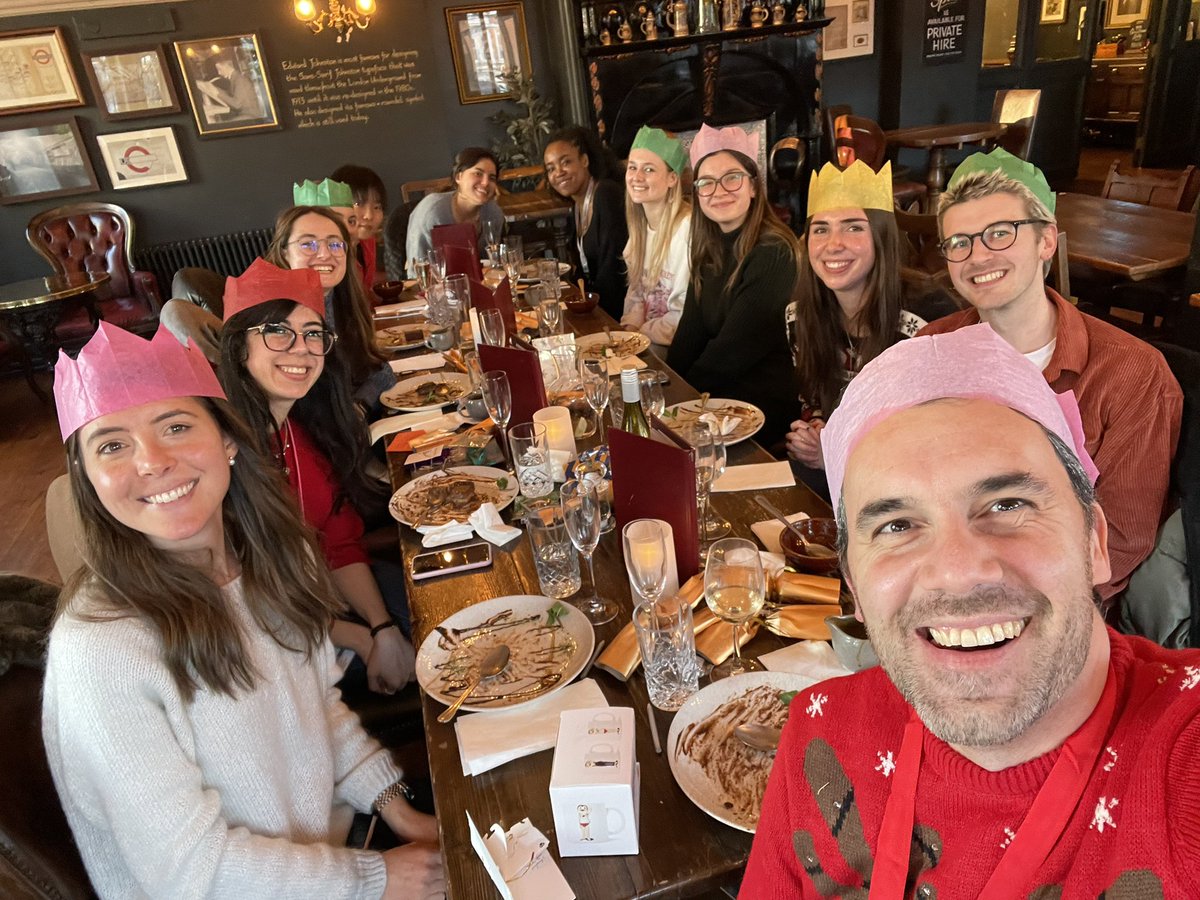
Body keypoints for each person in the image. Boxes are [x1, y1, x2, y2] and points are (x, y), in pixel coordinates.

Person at [741, 324, 1200, 898]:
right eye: (897, 525)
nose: (958, 570)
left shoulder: (1182, 754)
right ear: (854, 585)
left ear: (1096, 542)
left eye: (1008, 504)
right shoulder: (819, 729)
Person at [43, 322, 442, 898]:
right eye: (112, 445)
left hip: (337, 854)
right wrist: (376, 880)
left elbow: (316, 708)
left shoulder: (264, 560)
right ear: (88, 476)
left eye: (176, 426)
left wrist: (396, 810)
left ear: (227, 440)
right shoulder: (101, 648)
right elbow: (190, 872)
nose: (151, 462)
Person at [918, 147, 1181, 603]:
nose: (977, 256)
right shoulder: (931, 348)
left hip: (1058, 603)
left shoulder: (1131, 373)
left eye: (1000, 233)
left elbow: (1119, 541)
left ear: (1046, 242)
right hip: (938, 579)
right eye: (959, 242)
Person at [219, 259, 415, 695]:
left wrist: (382, 627)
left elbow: (338, 541)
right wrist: (364, 640)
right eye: (277, 331)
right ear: (238, 348)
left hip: (325, 594)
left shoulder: (297, 429)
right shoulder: (224, 453)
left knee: (440, 614)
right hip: (273, 643)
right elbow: (255, 602)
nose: (301, 348)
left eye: (312, 333)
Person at [784, 160, 925, 498]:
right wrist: (816, 427)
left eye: (853, 227)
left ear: (881, 237)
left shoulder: (923, 322)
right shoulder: (799, 315)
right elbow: (812, 396)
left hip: (902, 486)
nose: (833, 244)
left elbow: (925, 440)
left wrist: (836, 451)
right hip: (827, 472)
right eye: (821, 229)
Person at [666, 123, 801, 448]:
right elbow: (690, 333)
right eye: (706, 183)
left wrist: (674, 409)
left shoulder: (775, 252)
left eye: (732, 178)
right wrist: (664, 388)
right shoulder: (708, 248)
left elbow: (732, 352)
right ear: (696, 193)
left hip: (761, 405)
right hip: (722, 393)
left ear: (754, 186)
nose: (719, 190)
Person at [265, 204, 395, 413]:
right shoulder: (276, 320)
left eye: (335, 245)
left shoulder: (342, 300)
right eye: (308, 244)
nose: (325, 254)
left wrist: (360, 407)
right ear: (284, 253)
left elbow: (381, 372)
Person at [619, 125, 692, 353]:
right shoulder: (640, 228)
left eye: (649, 169)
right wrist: (629, 331)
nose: (637, 177)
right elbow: (637, 294)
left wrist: (638, 338)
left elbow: (682, 314)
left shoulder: (686, 228)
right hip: (645, 342)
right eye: (632, 167)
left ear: (672, 178)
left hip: (675, 350)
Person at [544, 126, 628, 318]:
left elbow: (614, 270)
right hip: (596, 305)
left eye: (565, 162)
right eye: (551, 168)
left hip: (619, 311)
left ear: (585, 160)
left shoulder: (606, 194)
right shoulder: (577, 206)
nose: (558, 172)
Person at [405, 147, 504, 276]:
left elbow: (493, 266)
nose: (485, 183)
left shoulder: (494, 214)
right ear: (459, 176)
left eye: (492, 178)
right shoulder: (432, 212)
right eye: (478, 173)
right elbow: (417, 271)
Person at [332, 163, 388, 285]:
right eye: (358, 204)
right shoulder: (328, 253)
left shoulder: (367, 241)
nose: (369, 215)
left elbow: (365, 284)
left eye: (377, 207)